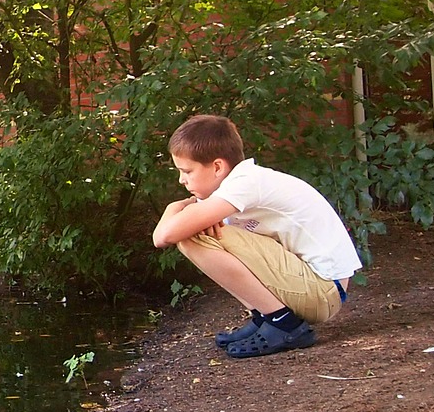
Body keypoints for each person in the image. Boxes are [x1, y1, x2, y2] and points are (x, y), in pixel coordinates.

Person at [152, 114, 362, 358]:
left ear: (218, 167)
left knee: (191, 236)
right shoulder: (234, 186)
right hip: (313, 285)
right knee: (193, 229)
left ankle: (284, 323)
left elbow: (163, 236)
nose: (181, 179)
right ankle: (265, 316)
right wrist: (192, 210)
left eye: (187, 171)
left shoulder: (245, 183)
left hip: (324, 290)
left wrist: (173, 209)